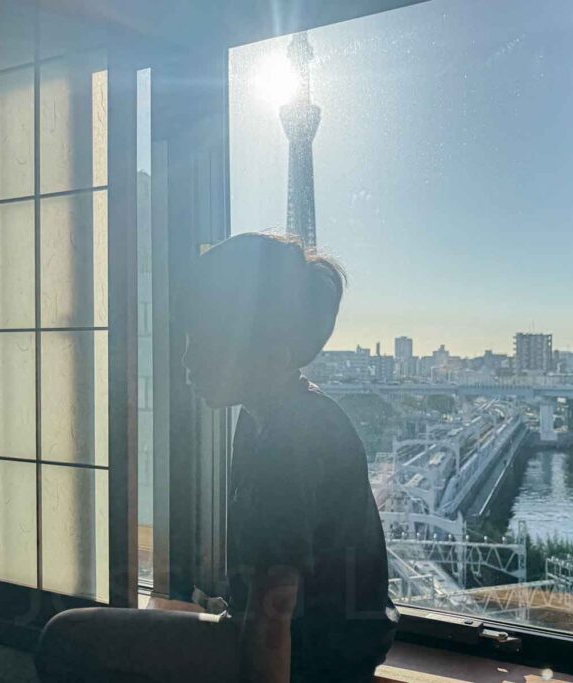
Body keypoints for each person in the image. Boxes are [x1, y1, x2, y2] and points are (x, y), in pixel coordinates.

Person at [36, 233, 398, 682]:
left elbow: (272, 620)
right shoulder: (282, 414)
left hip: (311, 663)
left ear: (273, 353)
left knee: (66, 640)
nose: (187, 356)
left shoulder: (288, 442)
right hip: (330, 650)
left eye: (208, 339)